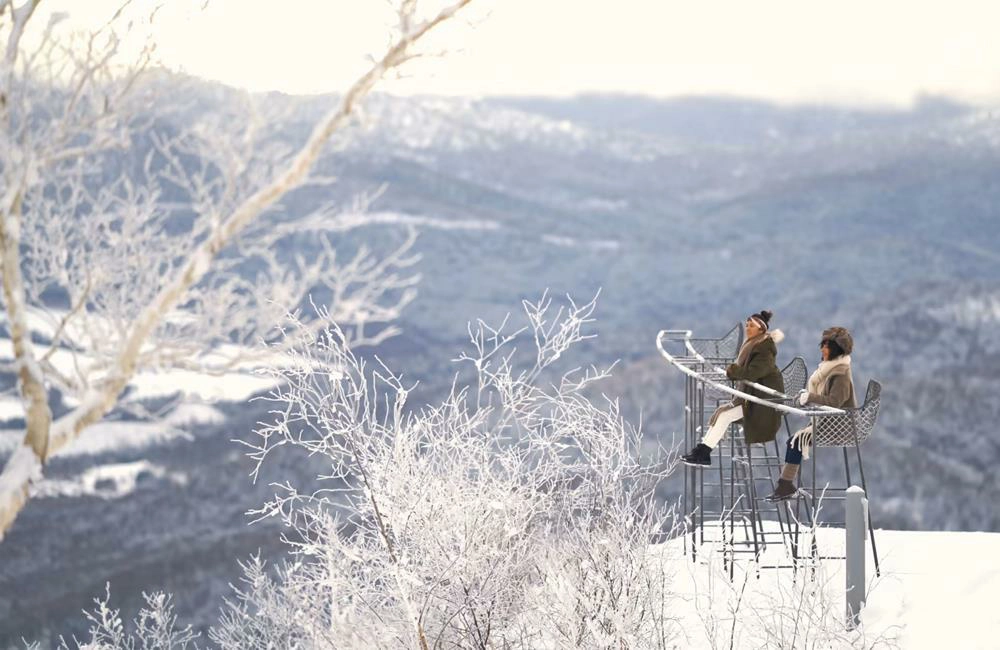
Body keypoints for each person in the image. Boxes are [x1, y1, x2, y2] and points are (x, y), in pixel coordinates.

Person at [681, 310, 785, 467]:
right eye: (747, 325)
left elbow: (752, 373)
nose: (748, 328)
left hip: (762, 401)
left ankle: (703, 453)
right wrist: (734, 371)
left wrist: (733, 371)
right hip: (751, 397)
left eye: (751, 326)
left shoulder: (764, 349)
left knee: (725, 416)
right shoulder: (753, 344)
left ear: (761, 330)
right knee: (723, 414)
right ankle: (702, 452)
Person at [766, 326, 856, 502]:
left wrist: (810, 397)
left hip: (839, 426)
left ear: (836, 350)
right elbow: (820, 399)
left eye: (826, 346)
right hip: (827, 422)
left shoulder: (841, 374)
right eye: (822, 345)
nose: (822, 349)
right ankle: (785, 486)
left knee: (796, 441)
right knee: (793, 441)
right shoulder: (827, 370)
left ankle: (785, 486)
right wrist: (803, 398)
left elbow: (835, 402)